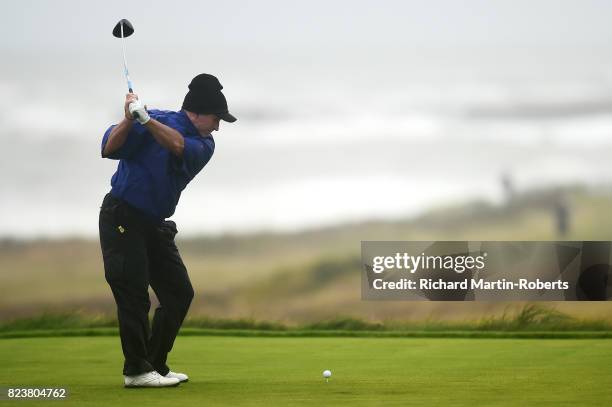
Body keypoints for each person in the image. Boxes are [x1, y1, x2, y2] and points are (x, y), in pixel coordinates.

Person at [99, 73, 236, 388]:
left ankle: (154, 365)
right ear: (199, 112)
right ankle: (136, 370)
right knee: (133, 294)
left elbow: (177, 146)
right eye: (217, 118)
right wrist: (127, 120)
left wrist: (144, 120)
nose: (218, 126)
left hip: (154, 224)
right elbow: (109, 147)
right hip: (122, 217)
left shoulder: (204, 143)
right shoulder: (153, 119)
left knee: (179, 292)